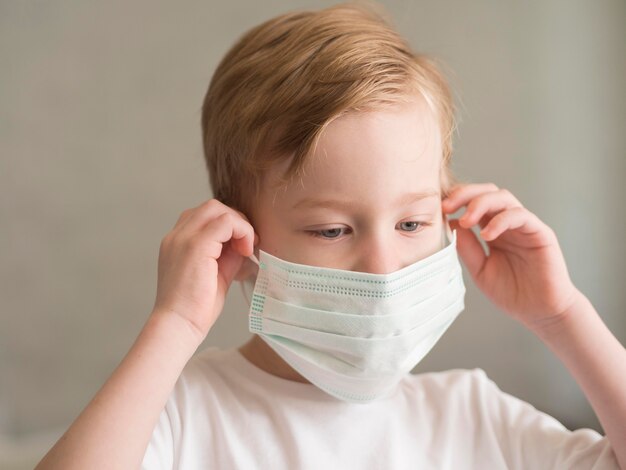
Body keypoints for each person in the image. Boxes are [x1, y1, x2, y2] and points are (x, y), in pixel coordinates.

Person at [36, 3, 624, 469]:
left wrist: (562, 316)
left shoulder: (472, 417)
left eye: (413, 223)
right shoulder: (183, 412)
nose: (383, 266)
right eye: (332, 229)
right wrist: (174, 325)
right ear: (237, 243)